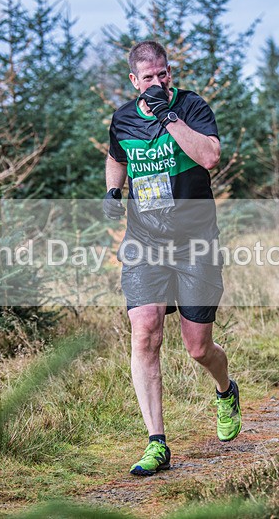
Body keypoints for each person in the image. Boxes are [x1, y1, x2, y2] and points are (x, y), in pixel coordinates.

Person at [102, 41, 241, 476]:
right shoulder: (123, 118)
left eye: (164, 74)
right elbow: (115, 156)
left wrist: (168, 114)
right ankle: (156, 443)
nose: (158, 82)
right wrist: (112, 190)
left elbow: (210, 157)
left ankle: (225, 389)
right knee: (144, 332)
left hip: (196, 242)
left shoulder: (192, 107)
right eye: (149, 78)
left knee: (198, 348)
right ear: (133, 80)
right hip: (145, 243)